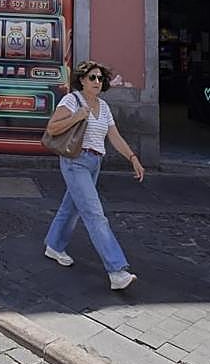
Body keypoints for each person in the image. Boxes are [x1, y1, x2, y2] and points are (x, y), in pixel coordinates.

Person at [42, 60, 145, 290]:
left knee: (71, 207)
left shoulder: (104, 107)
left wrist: (133, 158)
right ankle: (116, 270)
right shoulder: (72, 100)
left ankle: (54, 246)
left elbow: (114, 136)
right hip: (75, 162)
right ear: (82, 80)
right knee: (95, 214)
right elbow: (52, 128)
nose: (97, 81)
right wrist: (77, 116)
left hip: (95, 163)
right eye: (92, 77)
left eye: (100, 78)